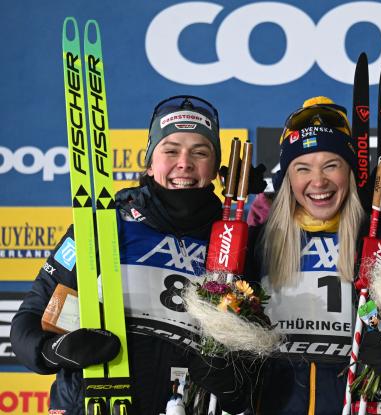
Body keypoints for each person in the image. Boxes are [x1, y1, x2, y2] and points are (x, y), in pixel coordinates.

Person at [11, 95, 263, 414]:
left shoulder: (233, 242)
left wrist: (233, 381)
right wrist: (55, 351)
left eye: (200, 152)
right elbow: (27, 322)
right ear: (149, 162)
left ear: (215, 168)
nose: (184, 163)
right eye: (170, 150)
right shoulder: (104, 225)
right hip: (96, 404)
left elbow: (250, 371)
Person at [240, 96, 381, 414]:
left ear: (349, 172)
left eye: (331, 165)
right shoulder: (259, 242)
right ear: (287, 179)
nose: (318, 181)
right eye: (303, 168)